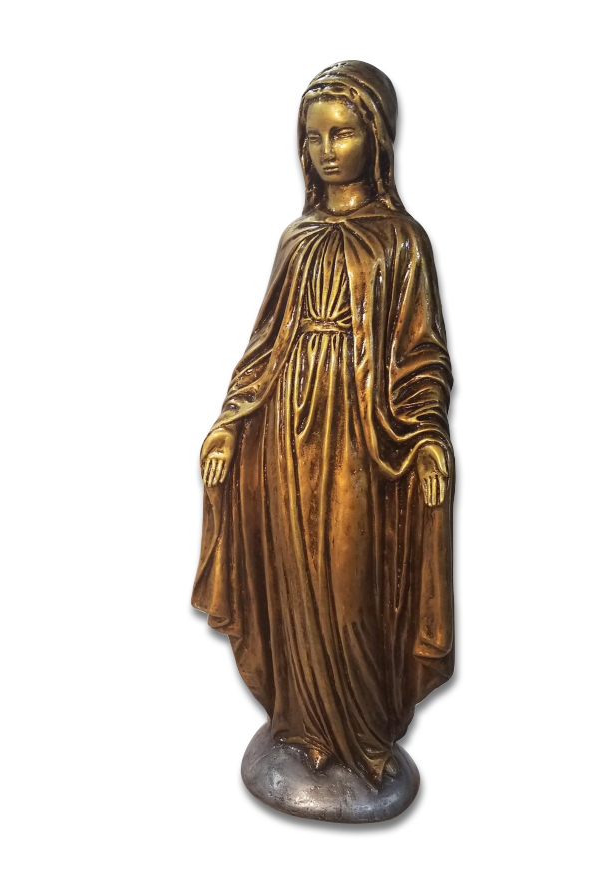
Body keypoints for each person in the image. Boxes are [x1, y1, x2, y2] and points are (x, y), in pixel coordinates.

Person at [193, 61, 454, 785]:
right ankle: (303, 728)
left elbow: (421, 354)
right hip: (284, 435)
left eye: (342, 133)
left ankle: (362, 734)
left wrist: (427, 434)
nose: (326, 150)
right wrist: (229, 422)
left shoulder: (401, 241)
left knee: (349, 586)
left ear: (377, 137)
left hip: (360, 438)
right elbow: (264, 347)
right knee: (291, 580)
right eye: (313, 136)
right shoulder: (298, 238)